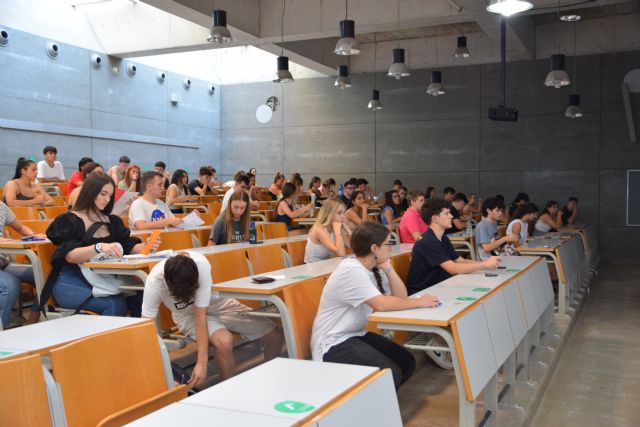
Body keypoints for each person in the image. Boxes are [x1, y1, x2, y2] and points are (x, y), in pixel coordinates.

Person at [310, 222, 439, 390]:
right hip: (332, 343)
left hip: (354, 334)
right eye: (387, 244)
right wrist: (420, 302)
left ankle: (377, 398)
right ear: (374, 248)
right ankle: (371, 408)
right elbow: (382, 304)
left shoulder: (372, 267)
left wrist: (388, 269)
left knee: (406, 363)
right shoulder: (351, 270)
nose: (391, 248)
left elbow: (401, 297)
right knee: (389, 373)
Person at [142, 251, 282, 383]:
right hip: (187, 315)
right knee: (224, 341)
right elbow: (147, 327)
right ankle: (230, 389)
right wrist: (159, 371)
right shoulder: (154, 281)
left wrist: (202, 362)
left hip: (218, 305)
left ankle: (272, 377)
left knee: (274, 334)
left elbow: (201, 315)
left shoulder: (201, 264)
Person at [41, 173, 158, 316]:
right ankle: (115, 339)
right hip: (72, 280)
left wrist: (147, 245)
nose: (107, 199)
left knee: (141, 296)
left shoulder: (111, 221)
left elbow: (126, 247)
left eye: (110, 195)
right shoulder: (69, 220)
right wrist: (98, 247)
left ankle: (139, 336)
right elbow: (70, 256)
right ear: (91, 191)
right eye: (103, 194)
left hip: (104, 277)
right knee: (114, 302)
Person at [406, 198, 501, 295]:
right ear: (435, 218)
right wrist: (484, 265)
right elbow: (453, 268)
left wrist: (486, 264)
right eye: (447, 213)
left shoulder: (443, 238)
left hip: (439, 287)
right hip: (421, 293)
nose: (451, 216)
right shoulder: (428, 241)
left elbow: (461, 261)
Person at [0, 202, 41, 328]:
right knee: (10, 285)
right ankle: (3, 328)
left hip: (3, 263)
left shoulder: (1, 206)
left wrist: (33, 236)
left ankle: (31, 324)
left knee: (43, 275)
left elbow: (20, 228)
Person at [304, 197, 347, 263]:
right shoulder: (319, 229)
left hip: (326, 265)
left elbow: (353, 246)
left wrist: (347, 229)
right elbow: (341, 253)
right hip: (312, 268)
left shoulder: (335, 227)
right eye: (339, 213)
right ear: (329, 214)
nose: (343, 216)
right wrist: (337, 231)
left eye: (344, 213)